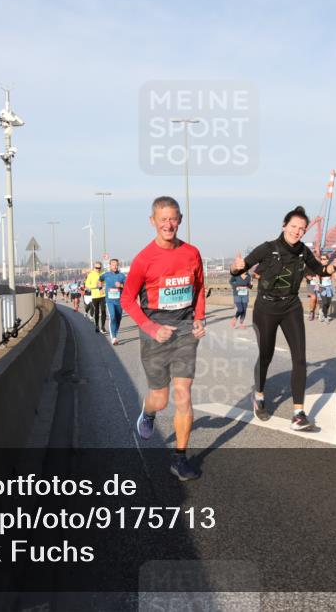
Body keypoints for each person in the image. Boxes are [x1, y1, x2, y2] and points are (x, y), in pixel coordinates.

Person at [231, 206, 336, 430]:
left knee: (300, 359)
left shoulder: (303, 251)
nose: (297, 231)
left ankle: (298, 413)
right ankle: (259, 395)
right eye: (293, 226)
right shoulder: (267, 248)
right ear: (284, 226)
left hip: (291, 306)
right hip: (266, 308)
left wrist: (332, 267)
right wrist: (237, 267)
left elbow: (320, 270)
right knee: (266, 355)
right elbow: (241, 267)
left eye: (301, 229)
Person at [122, 196, 207, 481]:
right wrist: (150, 328)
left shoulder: (192, 253)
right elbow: (127, 299)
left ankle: (179, 459)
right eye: (163, 219)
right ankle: (148, 413)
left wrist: (199, 317)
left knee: (183, 394)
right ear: (153, 222)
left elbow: (199, 287)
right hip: (155, 333)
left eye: (173, 218)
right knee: (160, 399)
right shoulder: (144, 259)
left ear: (180, 219)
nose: (168, 224)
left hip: (184, 331)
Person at [100, 258, 127, 344]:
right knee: (113, 317)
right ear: (110, 265)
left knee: (118, 318)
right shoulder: (106, 275)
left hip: (119, 301)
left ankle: (115, 334)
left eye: (116, 265)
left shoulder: (122, 276)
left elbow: (128, 286)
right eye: (113, 265)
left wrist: (121, 285)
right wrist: (100, 288)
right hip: (109, 301)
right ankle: (114, 337)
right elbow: (99, 280)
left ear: (118, 265)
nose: (115, 267)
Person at [85, 261, 107, 334]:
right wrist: (95, 286)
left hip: (103, 295)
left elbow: (106, 282)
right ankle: (97, 325)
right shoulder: (91, 275)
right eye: (96, 268)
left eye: (99, 268)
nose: (98, 269)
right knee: (96, 311)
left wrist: (103, 285)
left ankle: (103, 327)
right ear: (94, 267)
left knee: (103, 311)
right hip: (95, 296)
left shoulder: (103, 273)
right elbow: (87, 285)